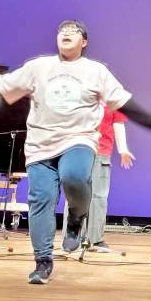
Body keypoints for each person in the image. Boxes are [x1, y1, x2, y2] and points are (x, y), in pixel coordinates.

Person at [0, 20, 151, 284]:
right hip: (40, 145)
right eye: (62, 30)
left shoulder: (96, 71)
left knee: (74, 176)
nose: (66, 33)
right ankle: (42, 261)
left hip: (79, 139)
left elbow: (123, 102)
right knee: (40, 199)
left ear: (84, 42)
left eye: (73, 31)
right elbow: (2, 84)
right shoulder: (38, 67)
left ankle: (76, 217)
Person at [62, 107, 136, 253]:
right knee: (76, 195)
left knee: (98, 197)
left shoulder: (112, 99)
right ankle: (72, 238)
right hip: (78, 150)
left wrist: (123, 149)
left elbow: (118, 123)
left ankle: (94, 239)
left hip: (100, 152)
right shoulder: (80, 95)